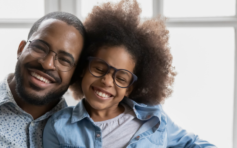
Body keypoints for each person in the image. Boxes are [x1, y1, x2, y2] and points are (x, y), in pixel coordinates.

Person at [43, 0, 216, 147]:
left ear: (129, 89)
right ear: (82, 68)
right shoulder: (58, 126)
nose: (107, 81)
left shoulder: (154, 119)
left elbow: (192, 143)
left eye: (121, 78)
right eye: (99, 69)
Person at [0, 12, 86, 148]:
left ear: (75, 75)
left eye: (64, 60)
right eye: (39, 48)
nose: (47, 64)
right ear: (21, 49)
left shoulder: (83, 134)